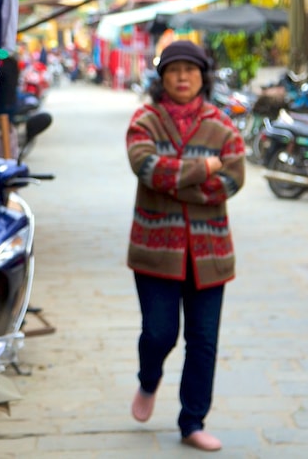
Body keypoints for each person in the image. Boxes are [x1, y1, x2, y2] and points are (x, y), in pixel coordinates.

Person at [125, 40, 245, 452]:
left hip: (209, 253)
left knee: (204, 340)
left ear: (202, 77)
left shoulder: (221, 124)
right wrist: (201, 169)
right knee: (159, 333)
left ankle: (192, 420)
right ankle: (148, 380)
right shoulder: (145, 120)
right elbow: (147, 168)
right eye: (174, 70)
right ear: (162, 77)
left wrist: (178, 182)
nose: (182, 77)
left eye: (190, 71)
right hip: (156, 248)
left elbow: (231, 179)